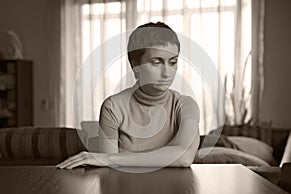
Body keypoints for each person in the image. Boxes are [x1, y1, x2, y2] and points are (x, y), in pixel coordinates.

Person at [57, 22, 200, 169]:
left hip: (176, 190)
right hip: (125, 188)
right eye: (156, 62)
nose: (167, 72)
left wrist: (114, 158)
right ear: (135, 65)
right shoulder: (113, 107)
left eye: (173, 62)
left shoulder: (186, 105)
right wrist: (111, 159)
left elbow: (184, 157)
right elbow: (109, 166)